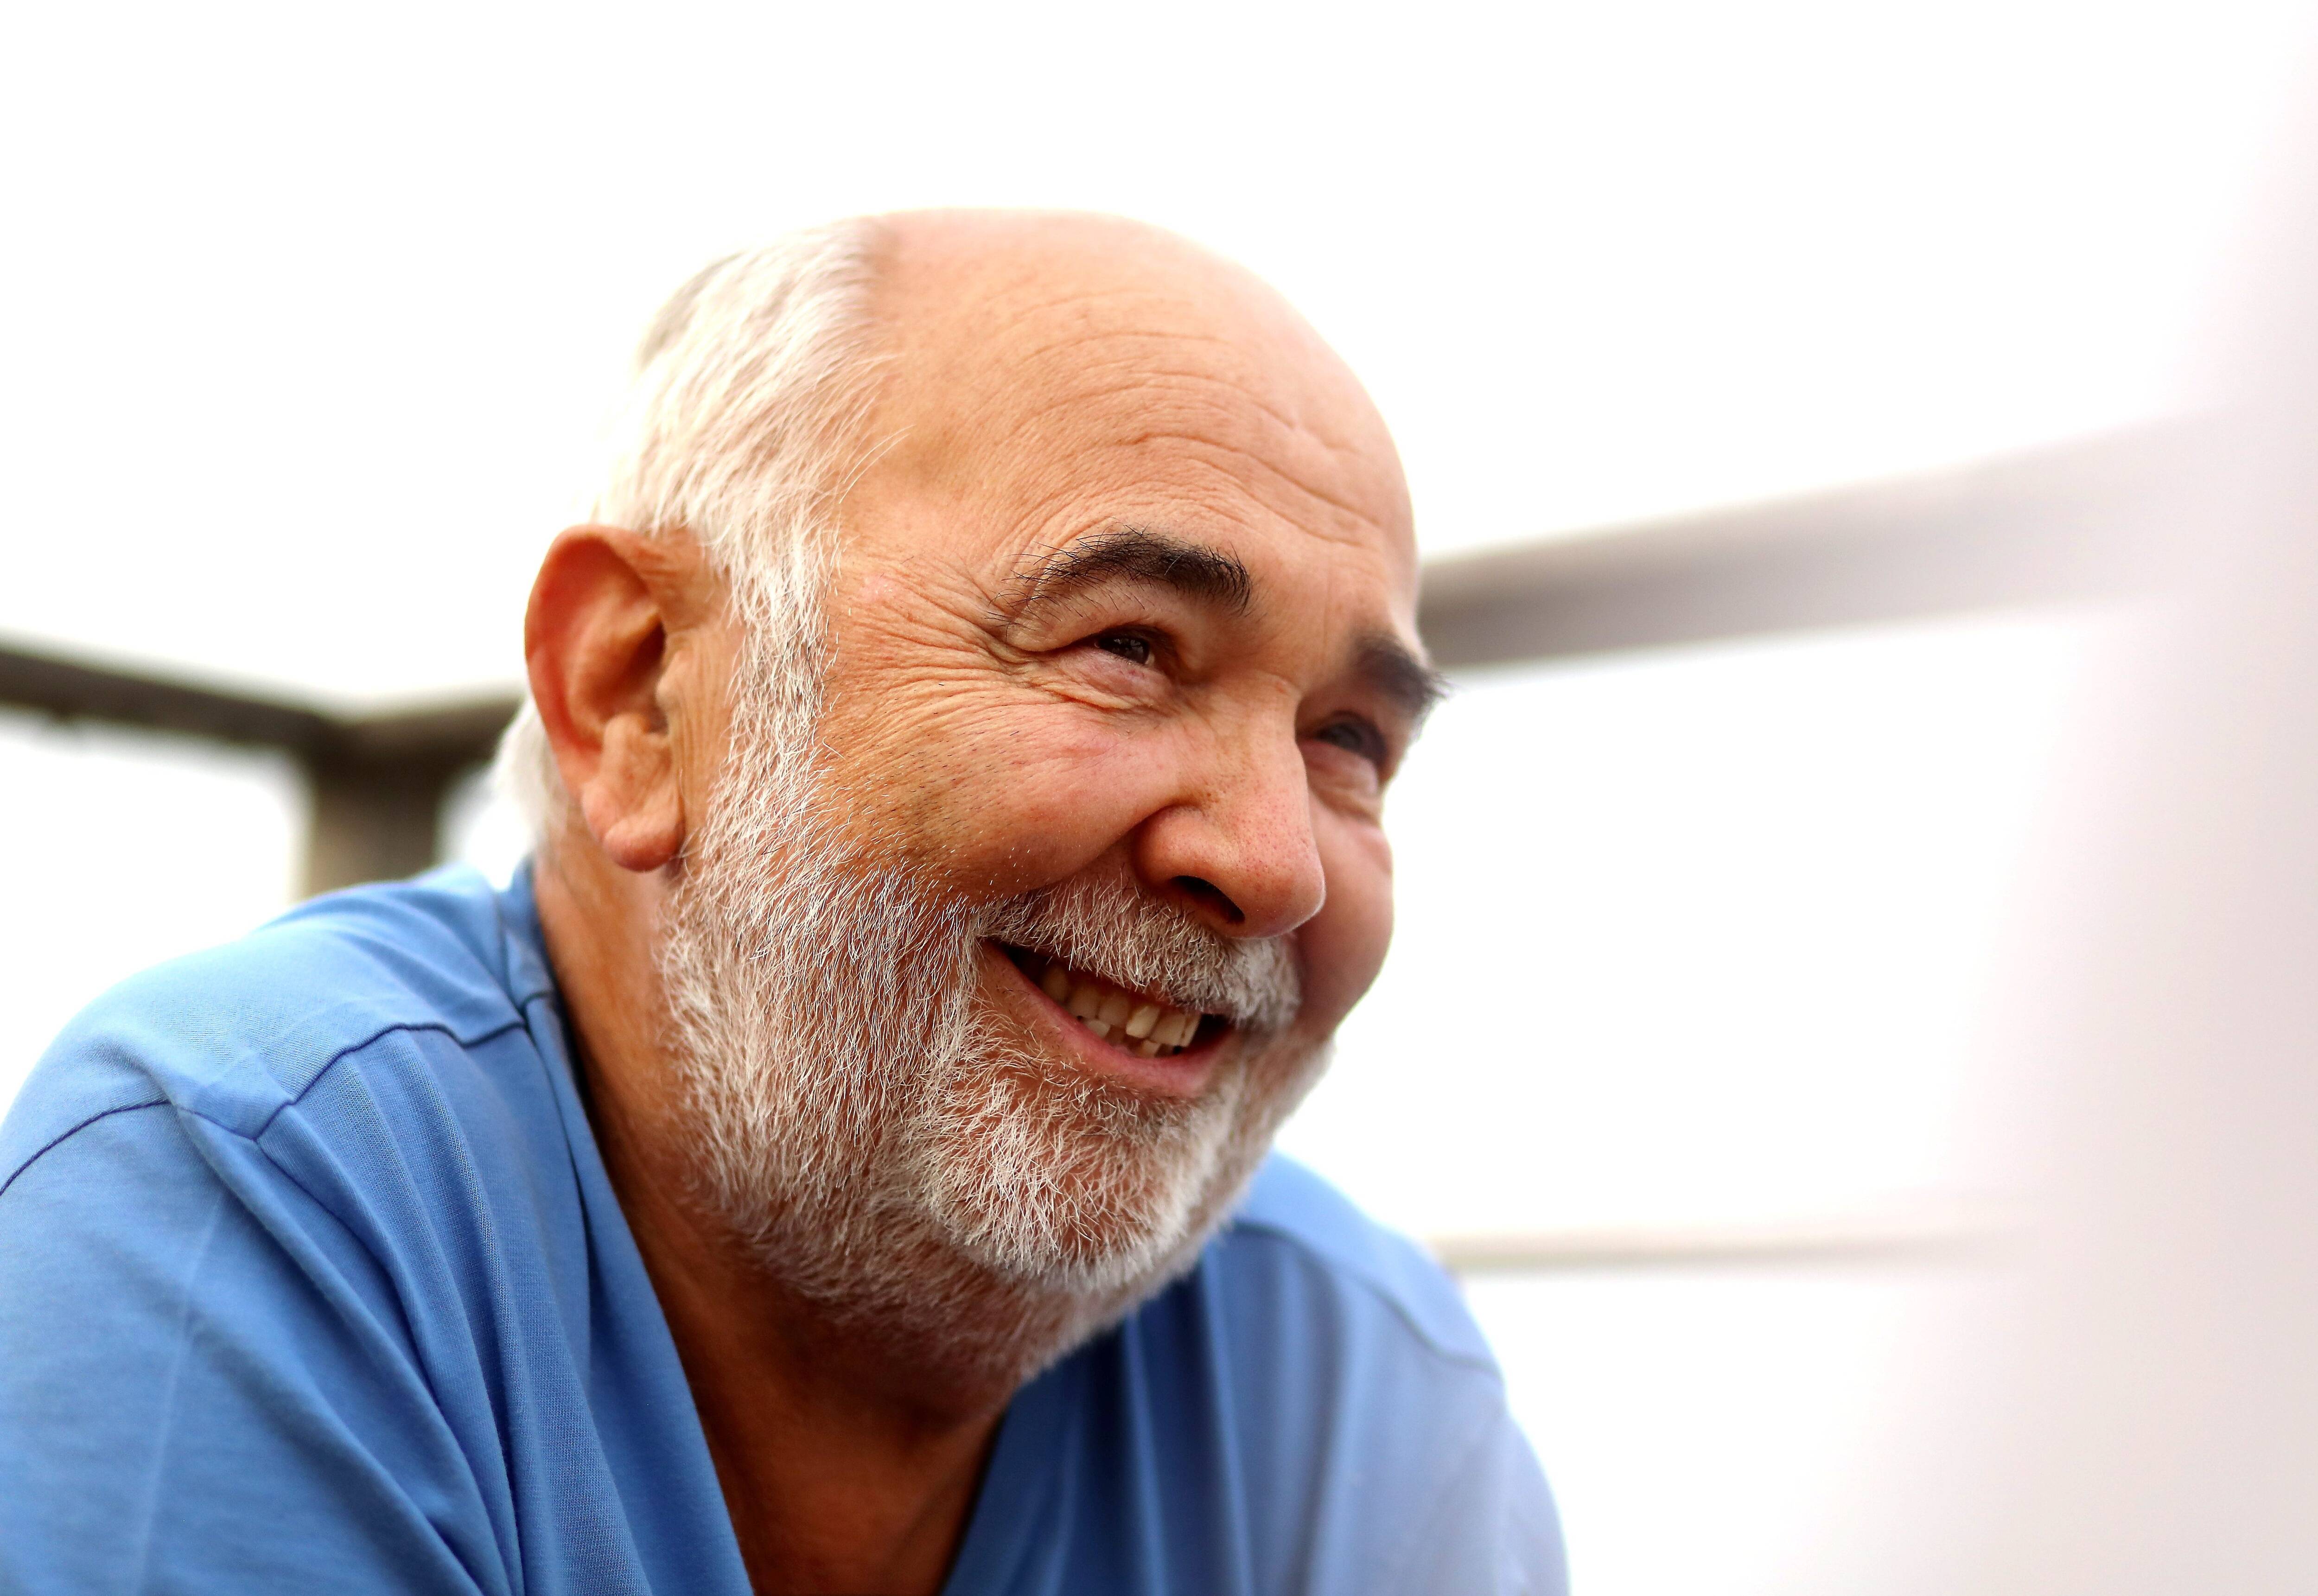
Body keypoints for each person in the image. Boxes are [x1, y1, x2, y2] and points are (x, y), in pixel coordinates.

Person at [0, 210, 1562, 1595]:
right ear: (642, 697)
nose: (1277, 860)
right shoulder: (250, 1206)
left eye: (1351, 740)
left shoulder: (1365, 1398)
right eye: (1128, 645)